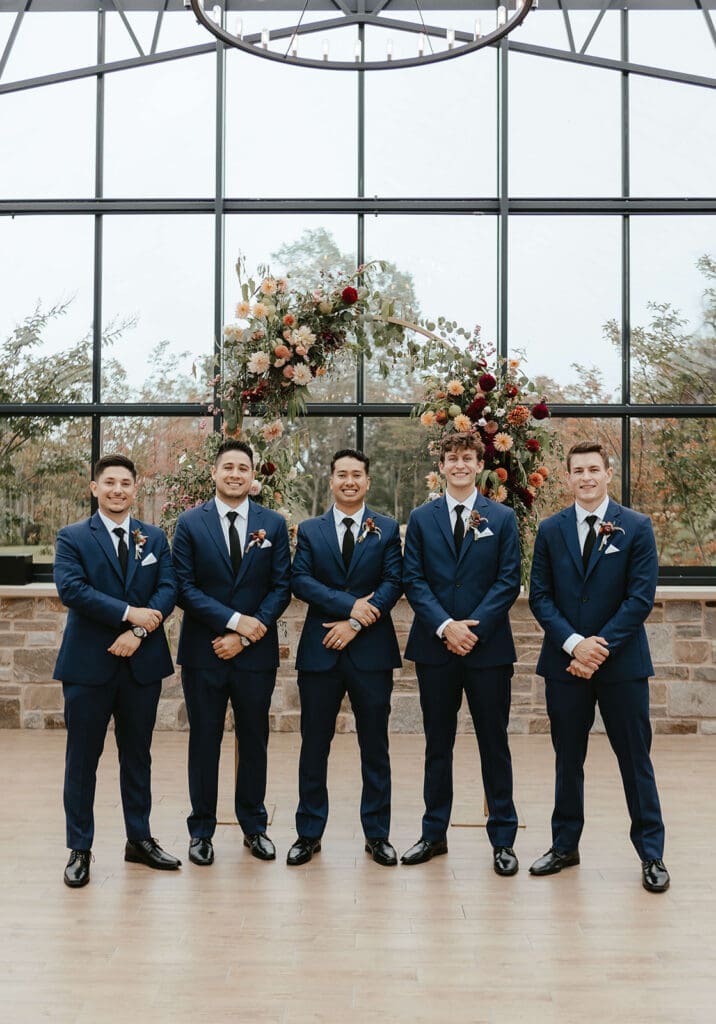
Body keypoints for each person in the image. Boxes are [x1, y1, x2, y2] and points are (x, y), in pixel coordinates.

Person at [528, 441, 669, 892]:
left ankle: (651, 854)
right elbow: (540, 597)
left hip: (622, 666)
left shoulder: (636, 527)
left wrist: (597, 649)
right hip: (565, 665)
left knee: (635, 760)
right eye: (578, 470)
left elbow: (639, 598)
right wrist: (574, 645)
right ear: (567, 477)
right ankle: (564, 846)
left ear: (608, 473)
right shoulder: (550, 530)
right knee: (568, 759)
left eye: (594, 469)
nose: (586, 477)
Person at [54, 454, 180, 888]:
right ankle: (79, 848)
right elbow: (72, 590)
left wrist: (139, 633)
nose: (118, 490)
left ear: (135, 489)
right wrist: (130, 615)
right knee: (82, 759)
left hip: (141, 666)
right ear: (95, 488)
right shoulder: (72, 537)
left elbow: (168, 587)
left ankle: (139, 839)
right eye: (109, 482)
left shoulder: (154, 537)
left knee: (138, 756)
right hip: (89, 666)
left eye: (125, 483)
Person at [401, 433, 521, 875]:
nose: (459, 465)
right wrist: (445, 626)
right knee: (438, 744)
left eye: (467, 458)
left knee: (495, 744)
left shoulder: (502, 517)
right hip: (435, 648)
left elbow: (509, 580)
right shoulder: (421, 518)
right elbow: (413, 579)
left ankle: (503, 839)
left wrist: (473, 628)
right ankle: (433, 833)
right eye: (451, 458)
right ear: (441, 466)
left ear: (479, 464)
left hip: (488, 650)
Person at [172, 439, 291, 866]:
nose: (235, 474)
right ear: (215, 473)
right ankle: (201, 830)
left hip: (255, 655)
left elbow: (281, 586)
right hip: (203, 652)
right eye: (228, 467)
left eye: (243, 468)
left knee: (254, 739)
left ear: (252, 475)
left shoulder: (272, 524)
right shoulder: (190, 523)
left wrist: (246, 634)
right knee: (204, 740)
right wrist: (234, 622)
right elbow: (184, 588)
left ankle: (254, 826)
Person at [287, 449, 403, 867]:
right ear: (332, 480)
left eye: (357, 475)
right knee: (314, 746)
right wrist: (349, 605)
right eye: (342, 474)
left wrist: (355, 622)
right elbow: (300, 580)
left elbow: (394, 581)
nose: (349, 481)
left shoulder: (387, 528)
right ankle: (308, 833)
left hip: (371, 653)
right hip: (320, 652)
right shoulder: (310, 530)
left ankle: (377, 834)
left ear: (367, 481)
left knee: (375, 748)